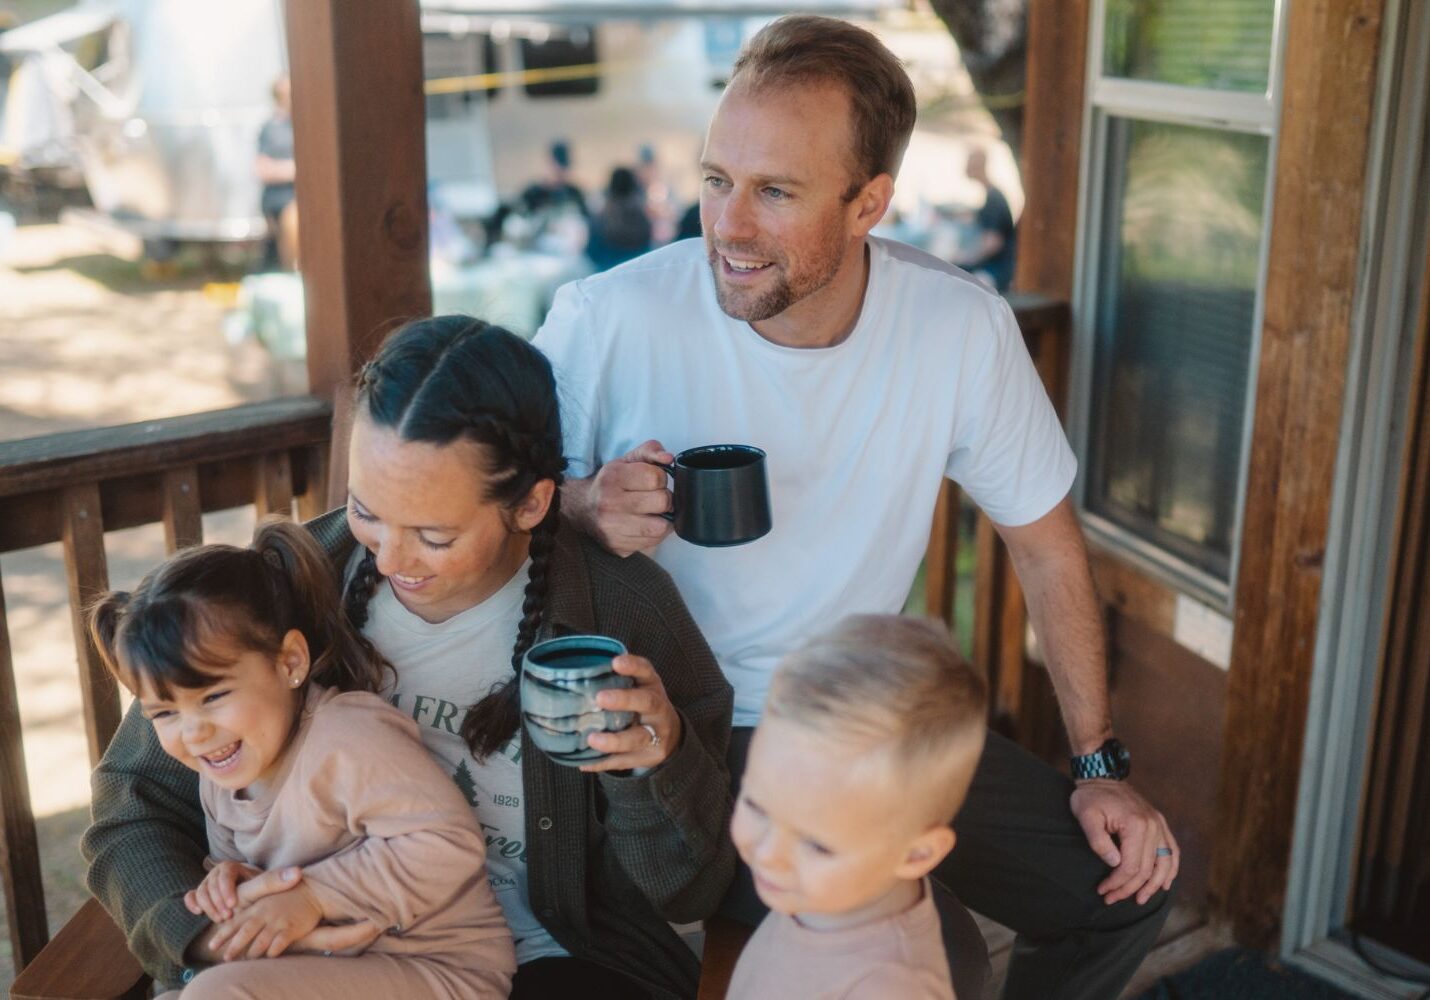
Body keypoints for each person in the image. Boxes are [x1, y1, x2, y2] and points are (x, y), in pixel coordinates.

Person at [533, 15, 1178, 1000]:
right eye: (715, 180)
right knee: (935, 965)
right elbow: (486, 523)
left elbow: (1044, 546)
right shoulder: (608, 318)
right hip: (683, 726)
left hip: (864, 715)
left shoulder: (957, 326)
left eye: (774, 192)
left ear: (868, 201)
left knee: (1122, 882)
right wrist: (576, 505)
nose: (727, 225)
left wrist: (1097, 762)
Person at [84, 317, 736, 1000]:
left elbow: (690, 889)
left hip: (558, 956)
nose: (389, 558)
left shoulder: (625, 612)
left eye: (433, 534)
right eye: (367, 511)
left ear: (533, 503)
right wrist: (210, 937)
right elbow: (134, 806)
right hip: (329, 957)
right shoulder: (289, 585)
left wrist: (655, 763)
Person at [88, 519, 516, 998]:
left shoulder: (347, 739)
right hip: (330, 962)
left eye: (213, 697)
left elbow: (445, 843)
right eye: (164, 713)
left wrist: (315, 894)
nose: (194, 732)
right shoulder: (223, 767)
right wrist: (232, 884)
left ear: (290, 662)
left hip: (436, 967)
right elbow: (259, 887)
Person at [727, 615, 987, 1000]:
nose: (767, 855)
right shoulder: (819, 891)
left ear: (917, 853)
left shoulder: (890, 987)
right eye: (756, 806)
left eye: (815, 845)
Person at [954, 148, 1017, 292]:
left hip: (997, 271)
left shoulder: (994, 199)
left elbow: (993, 243)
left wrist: (965, 259)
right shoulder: (992, 196)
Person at [255, 76, 298, 271]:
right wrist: (294, 169)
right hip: (280, 196)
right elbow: (262, 169)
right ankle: (292, 269)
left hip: (304, 193)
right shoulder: (271, 129)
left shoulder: (304, 124)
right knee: (294, 216)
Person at [588, 166, 653, 271]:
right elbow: (648, 250)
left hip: (606, 275)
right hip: (636, 274)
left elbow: (592, 253)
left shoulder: (601, 218)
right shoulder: (641, 217)